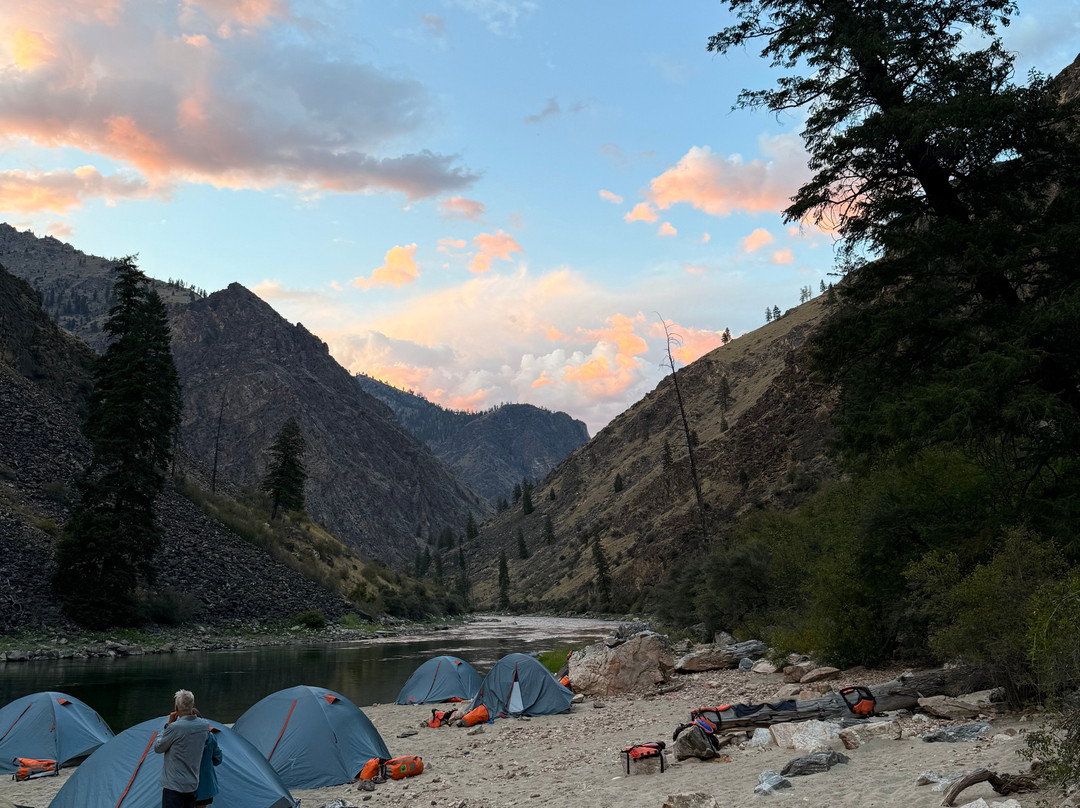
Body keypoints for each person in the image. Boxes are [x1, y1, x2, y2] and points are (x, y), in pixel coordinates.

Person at [153, 689, 210, 808]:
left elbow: (158, 748)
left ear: (176, 707)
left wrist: (168, 726)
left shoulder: (174, 728)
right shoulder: (204, 726)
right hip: (192, 785)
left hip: (174, 787)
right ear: (192, 705)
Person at [195, 727, 222, 807]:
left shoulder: (178, 735)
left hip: (183, 786)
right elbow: (217, 760)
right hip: (205, 786)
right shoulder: (210, 736)